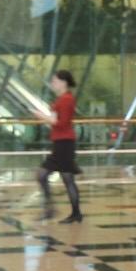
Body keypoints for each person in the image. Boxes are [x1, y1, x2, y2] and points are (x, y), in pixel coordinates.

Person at [40, 68, 81, 221]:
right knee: (66, 178)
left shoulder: (66, 100)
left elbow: (61, 123)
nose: (52, 84)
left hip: (64, 143)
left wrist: (42, 117)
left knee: (45, 175)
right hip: (61, 142)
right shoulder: (62, 99)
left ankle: (54, 208)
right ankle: (74, 212)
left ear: (63, 83)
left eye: (55, 81)